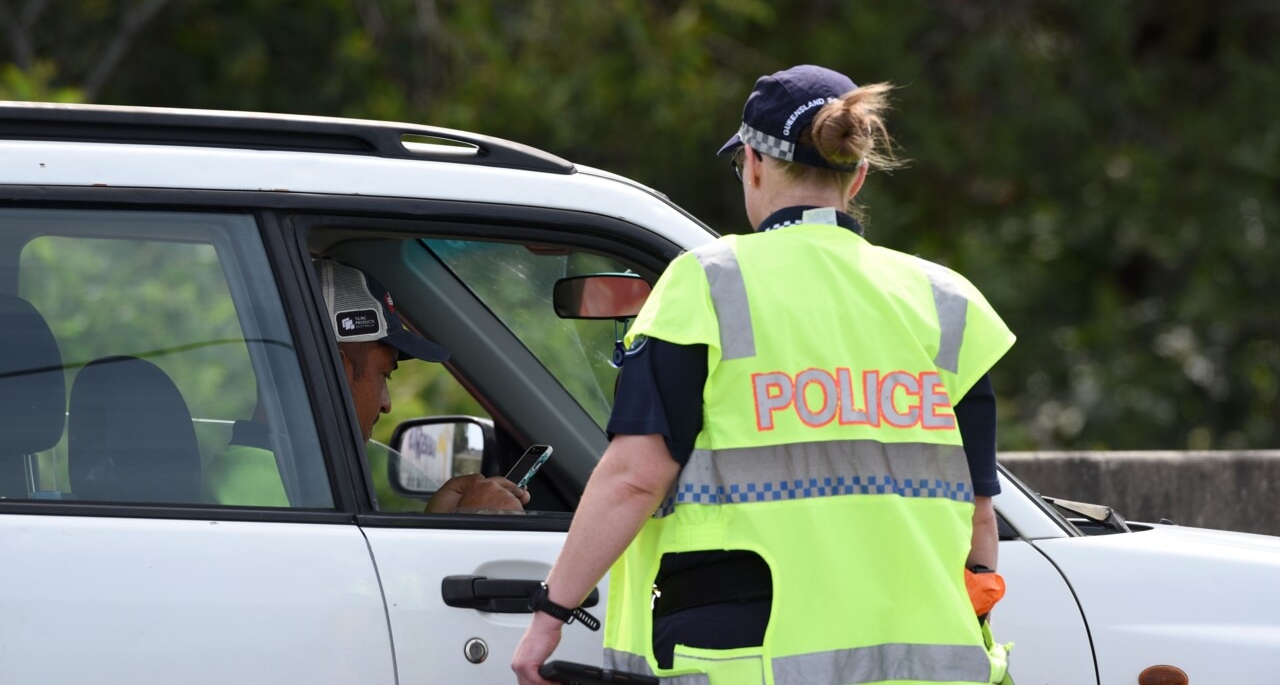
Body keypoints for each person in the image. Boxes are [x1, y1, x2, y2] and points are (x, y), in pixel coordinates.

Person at [512, 64, 1015, 684]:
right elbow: (980, 517)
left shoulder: (709, 284)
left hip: (749, 660)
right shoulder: (945, 301)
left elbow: (634, 478)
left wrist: (550, 612)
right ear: (856, 177)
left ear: (751, 163)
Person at [207, 259, 528, 513]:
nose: (387, 403)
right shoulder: (257, 497)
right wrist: (471, 526)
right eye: (384, 374)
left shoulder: (284, 478)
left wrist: (438, 522)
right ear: (334, 369)